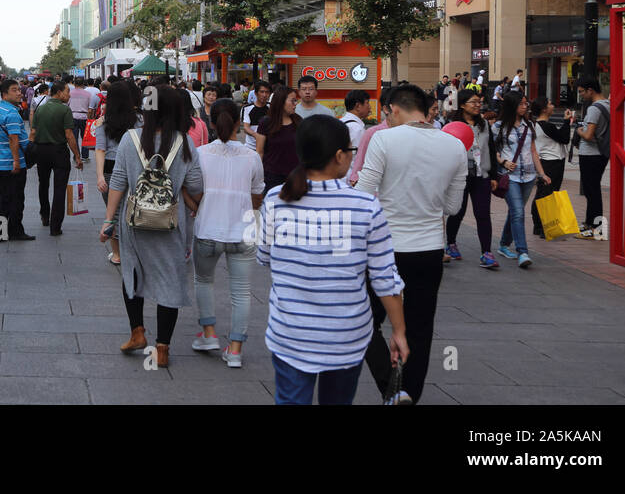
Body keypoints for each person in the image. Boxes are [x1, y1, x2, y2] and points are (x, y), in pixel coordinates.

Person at [258, 115, 409, 405]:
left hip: (290, 331)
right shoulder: (365, 205)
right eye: (350, 151)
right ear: (339, 156)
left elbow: (265, 257)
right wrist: (399, 331)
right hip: (346, 335)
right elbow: (385, 278)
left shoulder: (276, 199)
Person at [356, 84, 466, 404]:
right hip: (429, 248)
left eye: (387, 113)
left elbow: (364, 194)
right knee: (420, 325)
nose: (386, 118)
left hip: (384, 248)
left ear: (394, 108)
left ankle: (390, 385)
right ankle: (409, 393)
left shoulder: (384, 140)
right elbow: (453, 207)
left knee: (362, 319)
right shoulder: (454, 146)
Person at [101, 86, 203, 369]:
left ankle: (137, 332)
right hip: (172, 223)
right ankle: (162, 348)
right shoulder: (184, 143)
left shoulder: (129, 139)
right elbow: (195, 185)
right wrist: (183, 194)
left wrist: (109, 221)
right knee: (170, 279)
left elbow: (118, 183)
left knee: (132, 272)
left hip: (135, 222)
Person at [191, 98, 262, 365]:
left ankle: (208, 333)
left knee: (203, 281)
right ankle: (235, 350)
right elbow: (257, 194)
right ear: (238, 124)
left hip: (207, 228)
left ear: (211, 122)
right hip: (242, 232)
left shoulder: (200, 154)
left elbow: (193, 188)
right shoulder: (251, 156)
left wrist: (196, 206)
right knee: (241, 292)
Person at [492, 90, 549, 268]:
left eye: (526, 103)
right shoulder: (499, 126)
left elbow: (533, 151)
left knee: (515, 212)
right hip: (510, 177)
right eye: (522, 104)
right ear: (512, 106)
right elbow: (491, 150)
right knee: (518, 212)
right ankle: (522, 252)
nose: (525, 106)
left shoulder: (529, 125)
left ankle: (503, 244)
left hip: (529, 176)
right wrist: (503, 161)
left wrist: (542, 173)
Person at [444, 88, 498, 269]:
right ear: (462, 105)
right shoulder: (452, 124)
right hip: (459, 176)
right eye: (473, 102)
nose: (477, 105)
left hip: (481, 175)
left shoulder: (484, 124)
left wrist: (493, 175)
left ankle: (486, 253)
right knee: (457, 211)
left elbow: (490, 149)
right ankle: (451, 243)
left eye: (479, 102)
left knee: (483, 214)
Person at [94, 81, 140, 267]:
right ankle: (135, 251)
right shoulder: (140, 121)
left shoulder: (103, 123)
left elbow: (100, 150)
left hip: (111, 170)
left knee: (112, 212)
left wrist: (99, 176)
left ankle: (117, 254)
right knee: (135, 209)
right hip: (135, 168)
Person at [30, 79, 83, 235]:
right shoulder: (65, 110)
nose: (69, 95)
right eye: (67, 91)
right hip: (59, 152)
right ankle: (55, 226)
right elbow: (69, 136)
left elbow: (33, 132)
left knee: (43, 184)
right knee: (59, 189)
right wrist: (77, 156)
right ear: (59, 93)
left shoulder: (40, 109)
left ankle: (44, 215)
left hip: (41, 151)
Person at [0, 79, 33, 241]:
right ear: (4, 94)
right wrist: (16, 161)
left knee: (4, 198)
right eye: (14, 90)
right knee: (16, 199)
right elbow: (13, 139)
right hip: (12, 163)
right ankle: (15, 231)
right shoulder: (12, 113)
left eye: (18, 90)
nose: (19, 93)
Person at [574, 76, 611, 238]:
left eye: (582, 92)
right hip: (601, 154)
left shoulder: (594, 108)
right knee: (592, 190)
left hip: (591, 155)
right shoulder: (608, 105)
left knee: (592, 192)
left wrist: (578, 131)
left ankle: (596, 228)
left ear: (590, 90)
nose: (581, 95)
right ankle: (590, 223)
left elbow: (589, 135)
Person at [530, 97, 571, 239]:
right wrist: (567, 121)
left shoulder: (537, 125)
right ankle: (544, 227)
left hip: (546, 162)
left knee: (542, 193)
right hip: (552, 162)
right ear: (544, 109)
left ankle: (538, 226)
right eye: (550, 103)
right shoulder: (547, 126)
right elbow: (565, 138)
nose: (553, 106)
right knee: (548, 194)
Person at [255, 85, 299, 195]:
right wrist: (258, 177)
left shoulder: (298, 121)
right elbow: (259, 151)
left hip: (295, 176)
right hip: (272, 177)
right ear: (281, 101)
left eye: (296, 101)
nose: (295, 104)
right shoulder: (266, 123)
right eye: (292, 101)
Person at [240, 80, 271, 151]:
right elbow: (246, 128)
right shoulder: (247, 108)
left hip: (268, 147)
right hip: (251, 147)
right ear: (256, 93)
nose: (264, 95)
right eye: (262, 92)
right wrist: (258, 136)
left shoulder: (271, 107)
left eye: (267, 92)